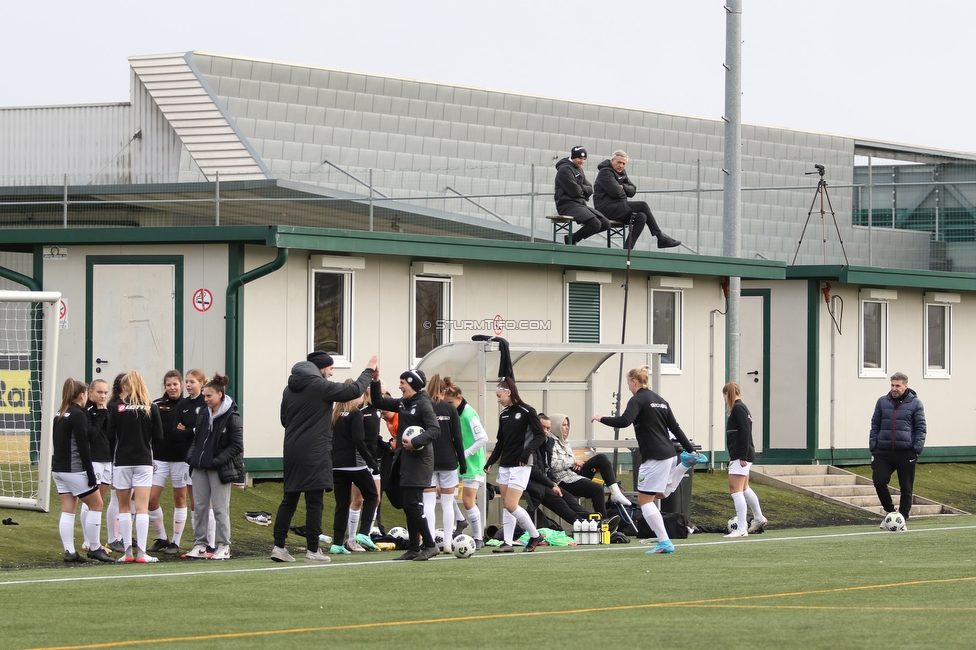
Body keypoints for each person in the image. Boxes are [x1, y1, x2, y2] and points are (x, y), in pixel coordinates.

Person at [272, 351, 378, 563]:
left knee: (289, 499)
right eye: (330, 368)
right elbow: (354, 390)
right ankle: (313, 550)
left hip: (292, 450)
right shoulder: (320, 386)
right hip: (315, 451)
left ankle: (279, 547)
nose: (331, 372)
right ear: (321, 369)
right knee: (314, 501)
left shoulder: (288, 389)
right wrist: (369, 369)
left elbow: (284, 419)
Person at [591, 365, 702, 555]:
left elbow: (624, 421)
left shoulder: (638, 399)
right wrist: (690, 449)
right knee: (661, 494)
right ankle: (684, 464)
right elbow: (675, 428)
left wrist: (601, 418)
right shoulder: (661, 401)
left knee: (645, 501)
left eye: (628, 383)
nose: (628, 387)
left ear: (634, 382)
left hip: (654, 457)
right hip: (669, 454)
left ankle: (665, 542)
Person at [370, 368, 442, 561]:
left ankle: (430, 545)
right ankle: (413, 548)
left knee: (412, 504)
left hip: (420, 462)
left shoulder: (424, 405)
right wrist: (375, 382)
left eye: (403, 383)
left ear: (412, 384)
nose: (400, 386)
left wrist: (415, 442)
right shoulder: (404, 403)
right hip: (405, 461)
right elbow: (378, 402)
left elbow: (435, 430)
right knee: (408, 504)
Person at [52, 378, 113, 563]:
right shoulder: (78, 414)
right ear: (82, 395)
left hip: (59, 469)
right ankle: (94, 547)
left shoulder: (60, 413)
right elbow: (83, 445)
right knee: (97, 505)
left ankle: (70, 552)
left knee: (68, 509)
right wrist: (89, 472)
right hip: (74, 469)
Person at [185, 373, 244, 560]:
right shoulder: (203, 413)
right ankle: (200, 545)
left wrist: (217, 461)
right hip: (199, 467)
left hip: (218, 470)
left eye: (209, 396)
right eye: (204, 396)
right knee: (200, 508)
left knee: (220, 509)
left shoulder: (232, 417)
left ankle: (223, 546)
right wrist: (192, 458)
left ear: (219, 394)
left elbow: (236, 446)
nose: (205, 399)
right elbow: (197, 438)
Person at [483, 377, 546, 553]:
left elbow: (540, 435)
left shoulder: (527, 411)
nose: (498, 399)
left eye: (499, 395)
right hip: (505, 464)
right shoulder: (504, 414)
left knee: (512, 504)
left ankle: (534, 535)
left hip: (521, 464)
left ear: (508, 392)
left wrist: (527, 453)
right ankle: (508, 543)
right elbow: (500, 442)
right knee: (506, 504)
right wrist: (490, 461)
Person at [108, 370, 164, 563]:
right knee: (141, 508)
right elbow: (158, 437)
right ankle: (142, 553)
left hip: (122, 462)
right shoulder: (151, 407)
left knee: (123, 507)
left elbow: (110, 435)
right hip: (143, 461)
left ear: (125, 387)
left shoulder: (116, 407)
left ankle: (127, 553)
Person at [546, 413, 631, 519]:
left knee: (602, 458)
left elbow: (570, 460)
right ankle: (603, 524)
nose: (567, 428)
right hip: (562, 480)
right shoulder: (549, 441)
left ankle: (615, 492)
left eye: (568, 425)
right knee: (597, 489)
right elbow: (552, 465)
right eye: (564, 425)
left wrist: (575, 464)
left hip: (572, 473)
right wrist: (573, 462)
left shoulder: (564, 440)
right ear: (556, 426)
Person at [869, 371, 926, 529]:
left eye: (898, 386)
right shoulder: (882, 402)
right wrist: (873, 446)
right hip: (883, 451)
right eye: (892, 385)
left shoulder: (916, 404)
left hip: (906, 452)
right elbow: (875, 424)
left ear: (905, 386)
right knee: (879, 480)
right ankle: (889, 512)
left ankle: (903, 518)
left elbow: (921, 428)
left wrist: (916, 449)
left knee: (906, 488)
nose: (894, 388)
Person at [329, 381, 380, 554]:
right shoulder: (355, 413)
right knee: (372, 495)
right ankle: (364, 533)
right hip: (355, 465)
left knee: (341, 504)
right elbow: (359, 440)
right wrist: (373, 463)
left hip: (336, 466)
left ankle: (336, 544)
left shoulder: (334, 414)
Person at [593, 150, 681, 250]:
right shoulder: (605, 173)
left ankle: (628, 248)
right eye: (619, 162)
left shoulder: (622, 172)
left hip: (619, 207)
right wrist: (622, 190)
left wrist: (623, 187)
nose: (621, 166)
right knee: (643, 205)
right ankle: (660, 236)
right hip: (606, 208)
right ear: (612, 160)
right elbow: (616, 192)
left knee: (641, 217)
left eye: (624, 163)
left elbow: (633, 190)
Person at [442, 377, 488, 549]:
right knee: (443, 490)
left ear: (459, 398)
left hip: (472, 464)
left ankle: (478, 537)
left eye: (450, 402)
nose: (448, 406)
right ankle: (460, 520)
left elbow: (483, 438)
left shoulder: (468, 413)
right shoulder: (454, 413)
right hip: (459, 462)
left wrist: (466, 453)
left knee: (469, 501)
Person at [148, 370, 190, 555]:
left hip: (181, 459)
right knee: (150, 499)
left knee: (179, 499)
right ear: (164, 386)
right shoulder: (156, 405)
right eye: (168, 385)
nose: (172, 388)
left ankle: (176, 542)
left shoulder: (189, 405)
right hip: (159, 459)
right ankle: (162, 537)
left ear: (181, 385)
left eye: (175, 384)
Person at [424, 374, 467, 554]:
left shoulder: (424, 408)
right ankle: (448, 543)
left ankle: (430, 542)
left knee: (428, 503)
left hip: (428, 461)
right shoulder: (450, 410)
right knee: (448, 504)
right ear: (444, 391)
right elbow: (457, 437)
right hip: (449, 461)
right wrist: (462, 463)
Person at [526, 414, 592, 528]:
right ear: (535, 427)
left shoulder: (547, 442)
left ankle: (594, 522)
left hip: (545, 482)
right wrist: (551, 484)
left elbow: (548, 467)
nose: (546, 432)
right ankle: (584, 527)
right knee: (560, 503)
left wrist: (553, 482)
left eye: (548, 429)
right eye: (543, 427)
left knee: (569, 499)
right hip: (531, 484)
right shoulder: (529, 444)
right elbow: (533, 471)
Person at [721, 381, 767, 538]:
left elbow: (745, 431)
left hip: (741, 456)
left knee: (736, 490)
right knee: (745, 488)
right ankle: (758, 517)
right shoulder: (742, 408)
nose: (724, 399)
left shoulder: (738, 408)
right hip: (743, 454)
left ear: (729, 394)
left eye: (725, 396)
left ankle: (741, 528)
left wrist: (741, 455)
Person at [176, 369, 209, 553]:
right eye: (186, 381)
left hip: (205, 457)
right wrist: (191, 430)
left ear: (202, 383)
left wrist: (189, 430)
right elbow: (177, 431)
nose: (188, 385)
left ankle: (212, 541)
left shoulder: (206, 403)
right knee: (194, 501)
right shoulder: (183, 404)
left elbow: (203, 430)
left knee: (208, 502)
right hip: (188, 458)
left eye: (192, 382)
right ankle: (199, 544)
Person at [80, 378, 114, 555]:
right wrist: (101, 415)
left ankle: (94, 541)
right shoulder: (88, 411)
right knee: (92, 501)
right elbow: (91, 435)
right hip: (94, 459)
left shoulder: (105, 410)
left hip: (106, 459)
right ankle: (89, 542)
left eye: (106, 392)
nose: (103, 395)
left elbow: (108, 434)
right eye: (99, 392)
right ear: (90, 392)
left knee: (99, 500)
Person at [554, 145, 609, 245]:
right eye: (580, 158)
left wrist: (580, 187)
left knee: (605, 224)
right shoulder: (565, 170)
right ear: (573, 157)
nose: (582, 161)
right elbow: (575, 191)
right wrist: (582, 188)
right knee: (595, 224)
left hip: (580, 204)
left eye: (584, 159)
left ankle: (572, 238)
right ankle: (572, 240)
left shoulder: (579, 169)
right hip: (567, 205)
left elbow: (590, 188)